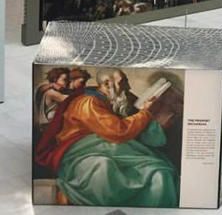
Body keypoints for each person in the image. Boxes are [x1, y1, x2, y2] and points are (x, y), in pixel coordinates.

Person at [34, 70, 178, 207]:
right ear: (107, 84)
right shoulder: (88, 102)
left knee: (158, 171)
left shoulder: (110, 101)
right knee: (104, 168)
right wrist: (145, 113)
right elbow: (118, 131)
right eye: (123, 82)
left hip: (103, 149)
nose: (128, 87)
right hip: (80, 154)